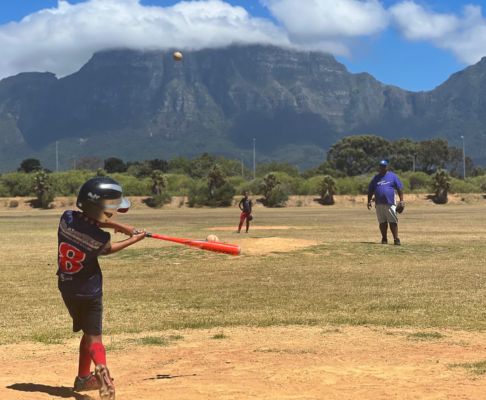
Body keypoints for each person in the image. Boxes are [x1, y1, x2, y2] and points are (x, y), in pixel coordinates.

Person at [57, 177, 146, 400]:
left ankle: (83, 378)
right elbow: (108, 248)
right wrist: (135, 239)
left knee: (87, 333)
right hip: (90, 291)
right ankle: (102, 367)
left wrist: (120, 226)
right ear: (100, 209)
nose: (111, 215)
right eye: (109, 213)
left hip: (67, 287)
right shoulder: (99, 238)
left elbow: (88, 219)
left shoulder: (66, 219)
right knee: (95, 338)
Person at [367, 160, 405, 245]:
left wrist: (401, 200)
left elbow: (399, 188)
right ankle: (384, 238)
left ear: (387, 167)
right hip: (379, 203)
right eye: (381, 166)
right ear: (379, 167)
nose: (382, 167)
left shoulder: (392, 176)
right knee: (382, 222)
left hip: (390, 202)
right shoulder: (375, 178)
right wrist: (368, 201)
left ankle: (396, 239)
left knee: (393, 221)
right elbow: (370, 191)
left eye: (384, 166)